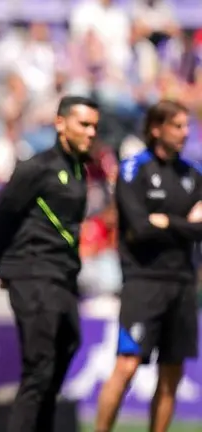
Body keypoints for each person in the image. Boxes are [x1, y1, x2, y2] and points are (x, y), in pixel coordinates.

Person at [0, 95, 100, 432]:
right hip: (34, 272)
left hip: (62, 276)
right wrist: (8, 265)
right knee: (38, 367)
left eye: (95, 125)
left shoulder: (79, 170)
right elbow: (0, 218)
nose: (91, 132)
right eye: (84, 124)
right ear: (61, 123)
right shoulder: (37, 168)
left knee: (68, 346)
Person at [94, 100, 200, 432]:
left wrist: (166, 221)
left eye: (186, 126)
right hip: (144, 281)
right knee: (126, 366)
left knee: (171, 373)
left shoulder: (192, 174)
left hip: (182, 282)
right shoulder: (133, 170)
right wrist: (184, 223)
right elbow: (137, 228)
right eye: (177, 125)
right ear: (156, 129)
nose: (185, 133)